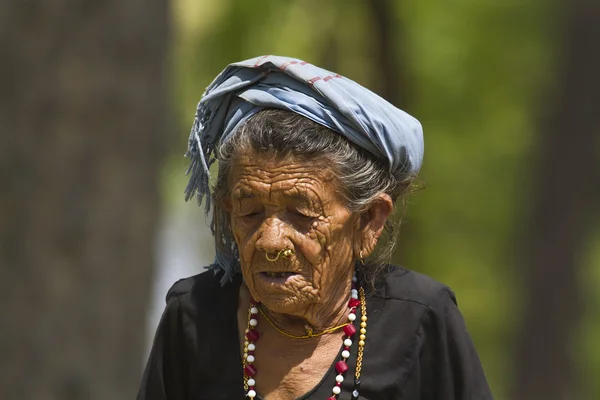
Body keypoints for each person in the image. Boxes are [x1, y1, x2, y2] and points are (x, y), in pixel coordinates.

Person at [137, 55, 493, 400]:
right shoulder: (194, 316)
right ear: (227, 211)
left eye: (302, 215)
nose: (271, 241)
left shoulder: (421, 319)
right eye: (250, 213)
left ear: (369, 221)